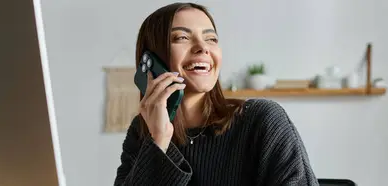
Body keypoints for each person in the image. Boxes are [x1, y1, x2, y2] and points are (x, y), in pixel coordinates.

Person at [114, 2, 319, 186]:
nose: (203, 48)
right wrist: (158, 140)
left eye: (211, 39)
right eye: (182, 37)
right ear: (151, 60)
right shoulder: (142, 131)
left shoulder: (262, 120)